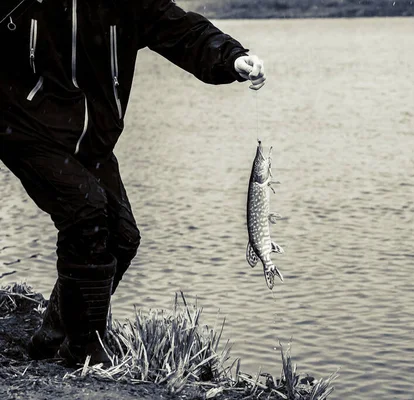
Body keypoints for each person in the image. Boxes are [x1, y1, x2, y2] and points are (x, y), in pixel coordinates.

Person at [0, 0, 265, 367]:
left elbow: (183, 31)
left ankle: (55, 335)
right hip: (25, 128)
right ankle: (85, 350)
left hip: (91, 139)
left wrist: (233, 58)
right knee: (86, 211)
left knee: (122, 237)